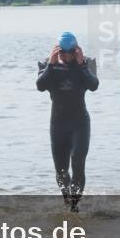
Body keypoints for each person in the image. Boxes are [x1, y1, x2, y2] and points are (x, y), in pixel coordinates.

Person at [36, 31, 98, 211]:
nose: (66, 56)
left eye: (70, 53)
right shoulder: (48, 64)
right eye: (62, 52)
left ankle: (75, 205)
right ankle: (68, 201)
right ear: (57, 51)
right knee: (62, 172)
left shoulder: (86, 62)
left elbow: (94, 86)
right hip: (58, 125)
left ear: (76, 50)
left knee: (78, 162)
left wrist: (81, 65)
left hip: (80, 123)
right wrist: (51, 65)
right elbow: (40, 86)